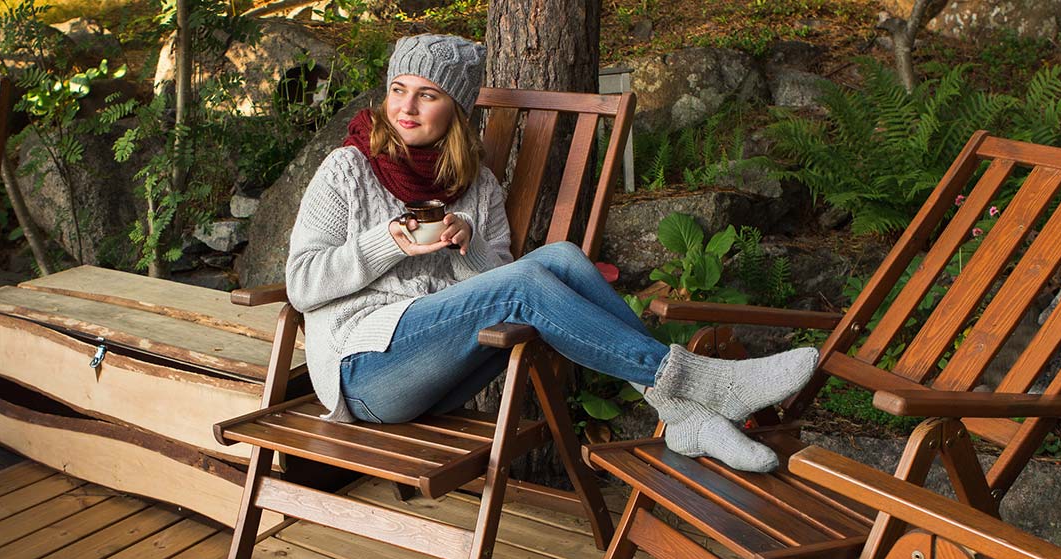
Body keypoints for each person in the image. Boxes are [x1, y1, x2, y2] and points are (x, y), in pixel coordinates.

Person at [286, 34, 817, 472]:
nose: (405, 107)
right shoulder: (347, 170)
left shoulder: (479, 188)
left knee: (561, 257)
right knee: (524, 284)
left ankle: (683, 416)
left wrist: (467, 244)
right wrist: (386, 243)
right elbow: (301, 284)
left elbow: (495, 285)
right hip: (364, 375)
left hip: (441, 373)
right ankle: (699, 385)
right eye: (398, 89)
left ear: (456, 106)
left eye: (427, 94)